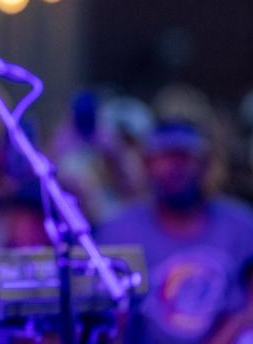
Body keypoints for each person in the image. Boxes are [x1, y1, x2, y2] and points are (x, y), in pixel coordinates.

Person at [97, 120, 253, 344]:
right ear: (146, 165)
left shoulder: (241, 225)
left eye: (185, 158)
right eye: (164, 158)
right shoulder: (118, 231)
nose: (175, 168)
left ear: (206, 165)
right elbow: (107, 319)